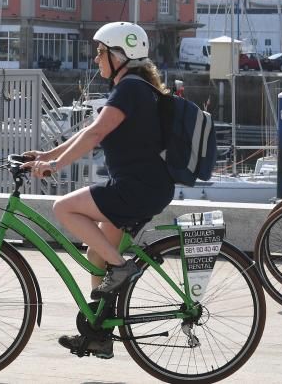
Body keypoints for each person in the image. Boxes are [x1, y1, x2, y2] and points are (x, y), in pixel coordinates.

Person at [22, 21, 175, 359]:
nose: (96, 59)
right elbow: (91, 130)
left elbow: (93, 135)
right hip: (143, 187)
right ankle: (100, 335)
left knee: (64, 208)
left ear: (120, 55)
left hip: (136, 189)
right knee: (96, 254)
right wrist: (46, 155)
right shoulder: (135, 87)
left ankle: (122, 268)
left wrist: (55, 167)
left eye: (100, 52)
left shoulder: (130, 89)